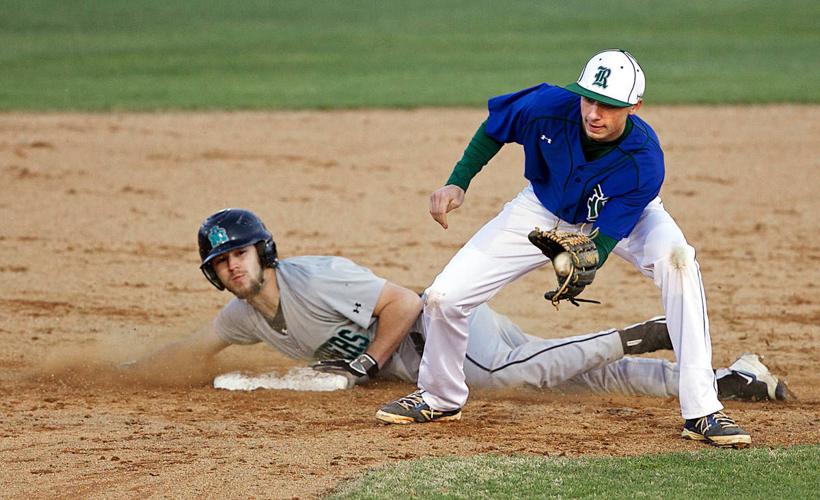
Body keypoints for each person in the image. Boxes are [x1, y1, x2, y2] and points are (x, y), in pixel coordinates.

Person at [378, 49, 753, 448]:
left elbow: (605, 238)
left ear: (634, 106)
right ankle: (439, 396)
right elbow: (494, 127)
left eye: (608, 105)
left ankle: (701, 410)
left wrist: (585, 262)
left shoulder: (644, 159)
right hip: (541, 207)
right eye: (589, 99)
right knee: (442, 297)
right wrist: (458, 181)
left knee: (678, 262)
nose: (595, 112)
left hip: (628, 217)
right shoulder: (546, 106)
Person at [125, 208, 788, 425]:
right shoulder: (246, 319)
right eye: (221, 264)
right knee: (576, 381)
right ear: (214, 275)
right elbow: (196, 347)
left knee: (515, 379)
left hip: (434, 336)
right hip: (419, 355)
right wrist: (126, 375)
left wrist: (365, 361)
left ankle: (639, 330)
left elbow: (406, 303)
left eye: (240, 254)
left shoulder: (316, 277)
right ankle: (728, 378)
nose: (233, 267)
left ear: (262, 252)